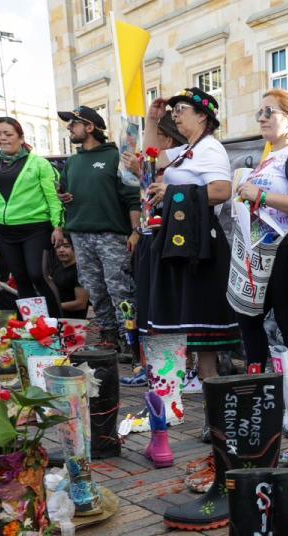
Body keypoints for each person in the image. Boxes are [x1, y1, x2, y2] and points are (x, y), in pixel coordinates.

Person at [228, 87, 288, 397]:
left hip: (286, 247)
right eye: (260, 112)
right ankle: (258, 382)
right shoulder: (271, 157)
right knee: (248, 314)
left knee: (287, 318)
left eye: (270, 112)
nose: (262, 117)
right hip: (259, 249)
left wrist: (261, 195)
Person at [142, 87, 237, 382]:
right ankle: (172, 388)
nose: (176, 115)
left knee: (199, 318)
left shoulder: (210, 148)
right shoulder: (185, 151)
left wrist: (171, 192)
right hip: (175, 240)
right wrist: (151, 122)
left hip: (198, 244)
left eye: (182, 109)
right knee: (174, 316)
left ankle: (209, 388)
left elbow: (222, 191)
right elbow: (147, 161)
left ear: (202, 116)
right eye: (174, 111)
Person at [56, 105, 140, 349]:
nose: (69, 128)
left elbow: (132, 197)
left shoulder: (116, 157)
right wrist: (62, 197)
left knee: (120, 289)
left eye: (74, 123)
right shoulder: (71, 162)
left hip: (112, 235)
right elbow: (63, 192)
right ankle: (109, 336)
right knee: (94, 289)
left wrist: (135, 232)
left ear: (90, 127)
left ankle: (131, 341)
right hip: (80, 235)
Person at [0, 117, 64, 317]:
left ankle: (57, 323)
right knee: (20, 278)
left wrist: (58, 226)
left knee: (37, 275)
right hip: (4, 231)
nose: (3, 138)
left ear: (21, 137)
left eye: (8, 134)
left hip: (36, 227)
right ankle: (32, 324)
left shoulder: (38, 163)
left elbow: (52, 197)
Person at [120, 114, 189, 386]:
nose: (147, 147)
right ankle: (150, 367)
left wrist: (142, 172)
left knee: (163, 308)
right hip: (149, 238)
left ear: (168, 141)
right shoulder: (155, 164)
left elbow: (158, 193)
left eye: (154, 136)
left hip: (170, 241)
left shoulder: (175, 165)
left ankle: (168, 371)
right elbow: (142, 199)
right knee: (147, 305)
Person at [50, 235, 89, 319]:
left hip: (74, 322)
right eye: (58, 247)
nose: (61, 250)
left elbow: (81, 304)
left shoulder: (81, 271)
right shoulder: (57, 267)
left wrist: (52, 306)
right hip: (55, 317)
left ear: (75, 248)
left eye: (66, 246)